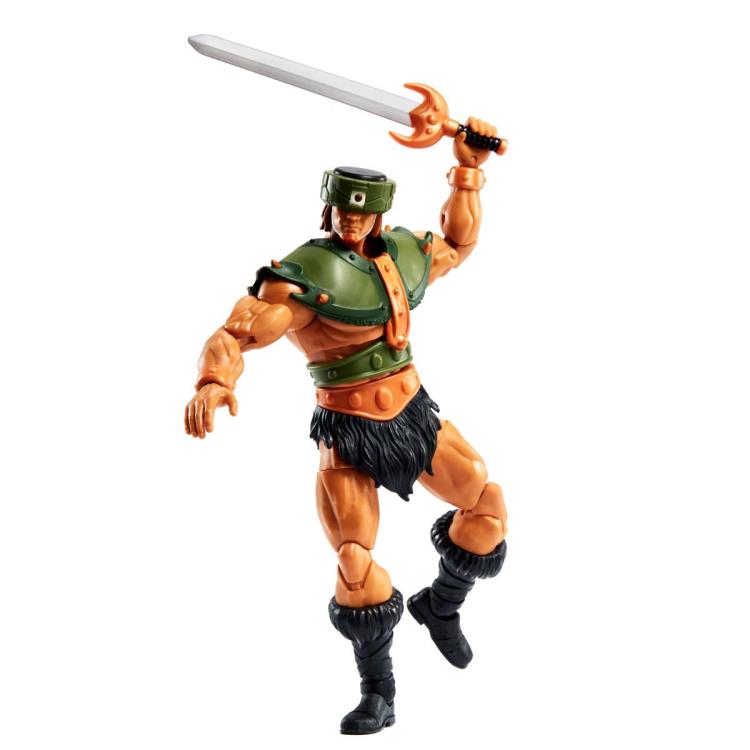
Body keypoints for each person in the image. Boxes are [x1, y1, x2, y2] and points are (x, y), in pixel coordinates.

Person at [184, 119, 508, 735]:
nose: (352, 222)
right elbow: (239, 329)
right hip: (348, 432)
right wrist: (214, 380)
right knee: (355, 562)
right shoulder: (304, 275)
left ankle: (441, 605)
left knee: (487, 507)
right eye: (343, 211)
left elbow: (456, 244)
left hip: (412, 414)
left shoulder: (402, 255)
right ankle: (378, 689)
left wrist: (468, 170)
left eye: (363, 214)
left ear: (380, 215)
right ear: (328, 208)